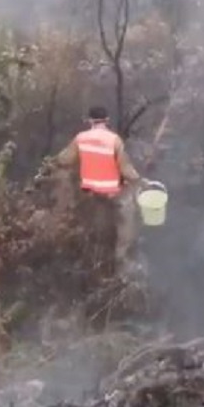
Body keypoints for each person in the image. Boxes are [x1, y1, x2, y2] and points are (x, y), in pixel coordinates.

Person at [51, 105, 144, 278]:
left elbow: (63, 160)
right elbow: (125, 169)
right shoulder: (114, 140)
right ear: (107, 121)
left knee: (99, 223)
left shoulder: (81, 138)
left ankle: (97, 255)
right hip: (112, 192)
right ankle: (121, 258)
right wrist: (140, 181)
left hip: (93, 191)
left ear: (90, 121)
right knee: (127, 214)